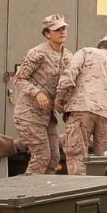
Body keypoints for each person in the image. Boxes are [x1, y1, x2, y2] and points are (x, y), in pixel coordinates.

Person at [55, 36, 107, 175]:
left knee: (77, 154)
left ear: (99, 45)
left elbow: (70, 74)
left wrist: (60, 98)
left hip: (82, 109)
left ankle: (79, 190)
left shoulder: (86, 52)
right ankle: (105, 190)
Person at [12, 14, 72, 175]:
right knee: (41, 156)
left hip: (48, 115)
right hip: (29, 114)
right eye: (57, 29)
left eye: (64, 28)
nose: (62, 32)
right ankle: (27, 192)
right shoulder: (37, 54)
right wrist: (37, 93)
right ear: (47, 34)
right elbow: (19, 79)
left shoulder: (67, 57)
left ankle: (45, 192)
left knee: (54, 158)